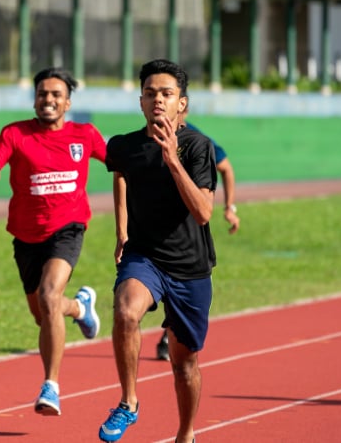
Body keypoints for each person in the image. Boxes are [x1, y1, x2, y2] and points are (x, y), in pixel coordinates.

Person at [0, 67, 105, 416]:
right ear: (35, 99)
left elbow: (119, 162)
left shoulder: (84, 135)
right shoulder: (15, 133)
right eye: (43, 94)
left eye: (56, 95)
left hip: (68, 228)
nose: (48, 100)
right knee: (44, 314)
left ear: (67, 102)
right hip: (26, 235)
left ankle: (51, 386)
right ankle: (79, 308)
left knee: (48, 295)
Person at [99, 59, 216, 443]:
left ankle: (186, 433)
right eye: (150, 94)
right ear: (141, 101)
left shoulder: (199, 147)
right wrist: (121, 231)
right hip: (144, 255)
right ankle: (129, 402)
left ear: (182, 103)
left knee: (184, 363)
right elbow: (120, 175)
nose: (158, 101)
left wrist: (172, 159)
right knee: (125, 311)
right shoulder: (123, 146)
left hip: (189, 265)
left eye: (167, 94)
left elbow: (202, 212)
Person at [155, 121, 239, 361]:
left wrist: (229, 207)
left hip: (190, 234)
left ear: (182, 104)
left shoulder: (197, 139)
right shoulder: (149, 136)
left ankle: (169, 334)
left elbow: (226, 168)